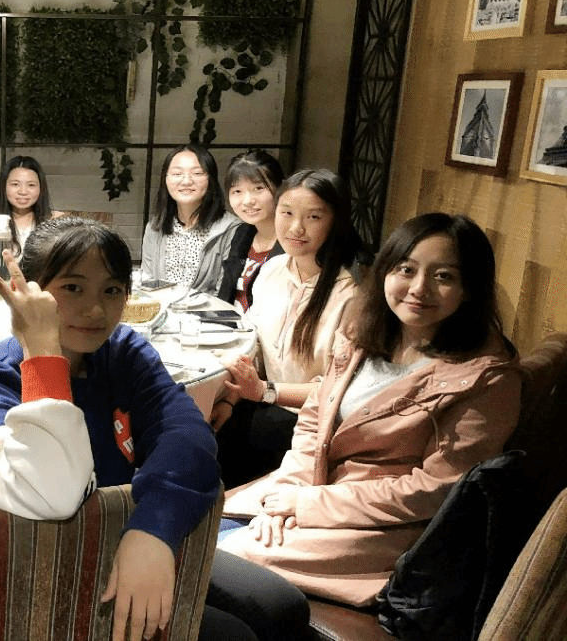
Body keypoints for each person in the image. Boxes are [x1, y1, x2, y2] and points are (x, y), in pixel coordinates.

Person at [0, 216, 308, 641]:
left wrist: (153, 528)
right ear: (26, 291)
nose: (96, 310)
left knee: (283, 607)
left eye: (112, 290)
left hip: (124, 534)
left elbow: (188, 438)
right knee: (235, 636)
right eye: (73, 288)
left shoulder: (122, 353)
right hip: (39, 569)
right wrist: (42, 355)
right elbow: (51, 494)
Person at [216, 212, 522, 609]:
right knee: (192, 526)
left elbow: (436, 490)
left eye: (443, 276)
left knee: (214, 560)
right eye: (406, 269)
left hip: (382, 527)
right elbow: (314, 418)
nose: (419, 288)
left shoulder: (485, 378)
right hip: (312, 486)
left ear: (469, 289)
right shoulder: (363, 333)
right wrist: (289, 492)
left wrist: (308, 505)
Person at [213, 169, 362, 488]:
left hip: (310, 424)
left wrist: (265, 391)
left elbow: (340, 391)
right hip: (261, 404)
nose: (296, 228)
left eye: (313, 217)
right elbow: (255, 351)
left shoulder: (350, 295)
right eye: (287, 213)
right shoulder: (273, 269)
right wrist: (229, 401)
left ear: (335, 222)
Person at [141, 144, 239, 291]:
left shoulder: (232, 229)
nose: (186, 181)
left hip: (208, 306)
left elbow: (224, 293)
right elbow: (148, 281)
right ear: (165, 179)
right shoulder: (155, 227)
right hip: (161, 305)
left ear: (211, 179)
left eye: (197, 173)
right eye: (177, 174)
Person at [216, 150, 286, 310]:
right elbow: (225, 294)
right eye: (237, 191)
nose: (247, 201)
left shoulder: (292, 241)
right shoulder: (242, 233)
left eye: (258, 188)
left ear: (280, 188)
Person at [0, 155, 58, 263]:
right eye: (15, 184)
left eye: (31, 185)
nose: (23, 191)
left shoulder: (55, 220)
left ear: (41, 188)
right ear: (3, 187)